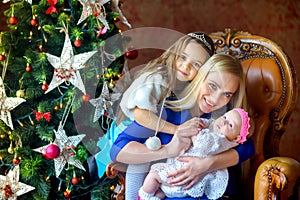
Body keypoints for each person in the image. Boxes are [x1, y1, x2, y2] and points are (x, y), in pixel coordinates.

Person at [111, 53, 255, 200]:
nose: (215, 99)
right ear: (200, 77)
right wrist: (167, 151)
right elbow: (117, 150)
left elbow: (248, 147)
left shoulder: (223, 120)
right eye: (212, 86)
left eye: (227, 94)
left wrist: (206, 165)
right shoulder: (166, 111)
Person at [96, 32, 215, 198]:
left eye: (196, 64)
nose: (186, 66)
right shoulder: (158, 76)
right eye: (182, 57)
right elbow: (141, 115)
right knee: (141, 162)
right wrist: (177, 130)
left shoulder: (185, 87)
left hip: (152, 131)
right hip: (129, 130)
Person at [138, 108, 252, 200]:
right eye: (225, 117)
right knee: (161, 191)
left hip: (183, 177)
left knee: (154, 175)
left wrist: (194, 133)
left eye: (230, 125)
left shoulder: (221, 140)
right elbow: (209, 123)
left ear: (237, 137)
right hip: (181, 179)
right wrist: (199, 122)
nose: (223, 122)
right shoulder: (217, 129)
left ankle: (143, 196)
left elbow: (202, 144)